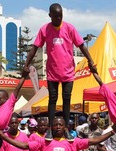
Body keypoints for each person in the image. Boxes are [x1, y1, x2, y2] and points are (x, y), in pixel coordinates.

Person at [23, 3, 97, 141]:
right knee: (52, 100)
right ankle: (51, 129)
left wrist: (91, 61)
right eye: (56, 16)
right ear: (50, 15)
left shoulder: (69, 28)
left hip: (68, 72)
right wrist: (26, 64)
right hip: (52, 72)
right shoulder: (45, 29)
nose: (58, 18)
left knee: (67, 101)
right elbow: (34, 48)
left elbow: (81, 45)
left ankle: (67, 130)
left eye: (60, 15)